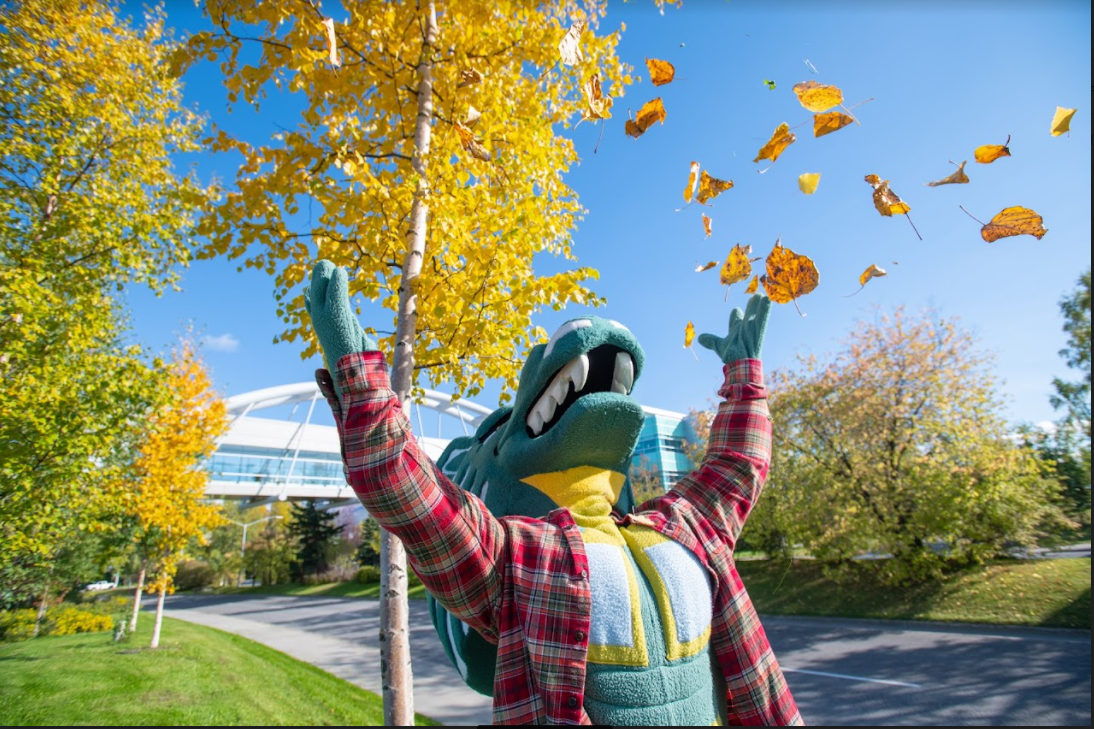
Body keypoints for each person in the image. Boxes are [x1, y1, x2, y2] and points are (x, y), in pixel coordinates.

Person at [306, 259, 802, 725]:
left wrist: (745, 379)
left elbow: (738, 465)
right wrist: (363, 387)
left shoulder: (683, 527)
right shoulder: (520, 560)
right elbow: (418, 503)